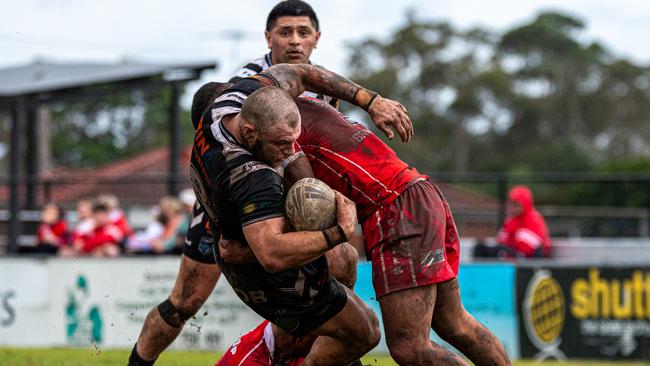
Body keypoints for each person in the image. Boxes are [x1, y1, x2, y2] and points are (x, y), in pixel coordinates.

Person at [215, 95, 511, 365]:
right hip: (420, 192)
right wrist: (368, 99)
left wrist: (248, 251)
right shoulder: (309, 110)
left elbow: (298, 230)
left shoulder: (282, 132)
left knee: (411, 348)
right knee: (454, 323)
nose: (287, 148)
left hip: (396, 210)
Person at [229, 0, 337, 107]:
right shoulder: (243, 82)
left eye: (303, 33)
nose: (295, 41)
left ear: (316, 38)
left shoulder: (327, 83)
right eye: (285, 33)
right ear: (269, 38)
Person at [498, 185, 552, 258]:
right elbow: (502, 241)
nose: (512, 208)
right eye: (510, 204)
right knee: (481, 248)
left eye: (516, 205)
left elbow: (526, 249)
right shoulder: (511, 220)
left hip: (529, 259)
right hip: (516, 256)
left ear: (525, 204)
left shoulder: (533, 219)